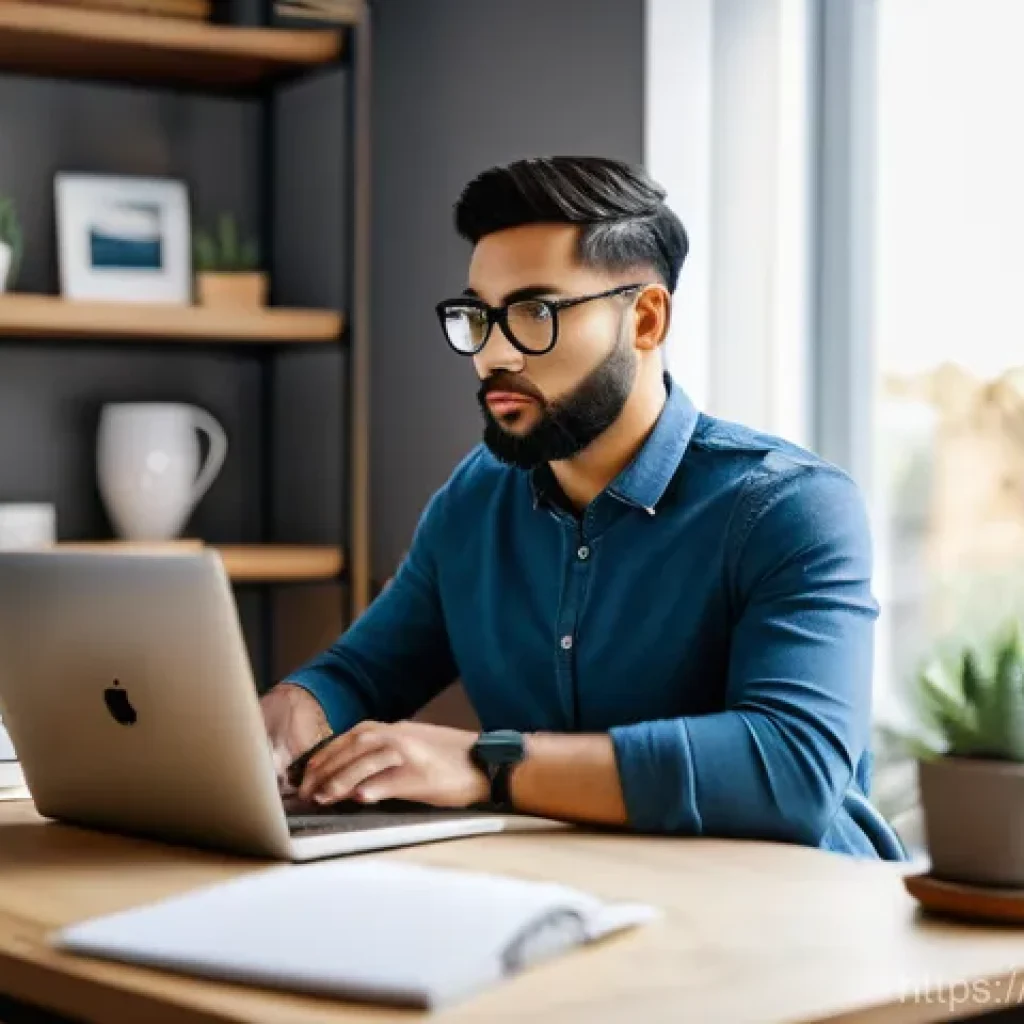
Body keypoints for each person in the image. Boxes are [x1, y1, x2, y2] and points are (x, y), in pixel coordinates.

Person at [261, 155, 905, 860]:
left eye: (535, 313)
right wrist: (293, 714)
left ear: (647, 319)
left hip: (806, 926)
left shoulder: (793, 507)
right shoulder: (474, 500)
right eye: (478, 315)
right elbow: (360, 674)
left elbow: (791, 770)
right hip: (585, 900)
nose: (492, 355)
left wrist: (489, 765)